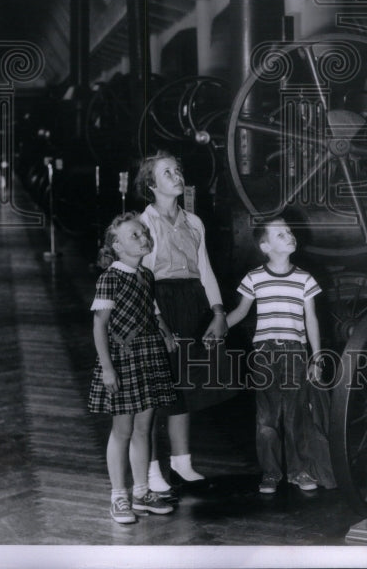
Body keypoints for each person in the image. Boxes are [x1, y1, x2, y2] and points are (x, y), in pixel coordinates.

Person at [136, 150, 227, 494]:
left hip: (192, 304)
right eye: (167, 172)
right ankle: (150, 469)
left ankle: (182, 462)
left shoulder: (194, 222)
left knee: (184, 387)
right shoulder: (145, 224)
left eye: (178, 170)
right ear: (151, 183)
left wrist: (218, 312)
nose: (176, 175)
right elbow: (142, 277)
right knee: (158, 393)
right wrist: (156, 320)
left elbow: (205, 270)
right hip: (160, 303)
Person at [88, 212, 177, 524]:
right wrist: (107, 368)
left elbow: (152, 309)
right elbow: (99, 326)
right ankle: (119, 496)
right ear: (116, 245)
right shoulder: (110, 278)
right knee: (122, 430)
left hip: (148, 355)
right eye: (134, 236)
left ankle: (142, 492)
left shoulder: (146, 276)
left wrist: (165, 331)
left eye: (143, 233)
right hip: (122, 359)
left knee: (144, 428)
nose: (143, 239)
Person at [224, 217, 323, 495]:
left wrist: (316, 356)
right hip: (265, 352)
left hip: (295, 352)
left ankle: (299, 470)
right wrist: (218, 328)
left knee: (297, 415)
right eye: (281, 234)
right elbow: (241, 312)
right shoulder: (254, 277)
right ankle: (270, 472)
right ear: (265, 246)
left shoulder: (305, 279)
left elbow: (311, 318)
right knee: (267, 418)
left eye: (290, 231)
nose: (290, 235)